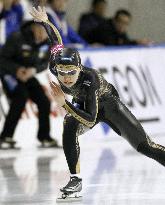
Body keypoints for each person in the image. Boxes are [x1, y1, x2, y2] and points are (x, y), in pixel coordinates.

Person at [30, 7, 165, 201]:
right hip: (83, 104)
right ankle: (75, 180)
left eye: (71, 72)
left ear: (79, 68)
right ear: (55, 68)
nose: (66, 78)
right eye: (62, 72)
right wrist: (45, 21)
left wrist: (64, 105)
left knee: (146, 147)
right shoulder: (54, 64)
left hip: (108, 105)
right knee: (69, 125)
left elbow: (91, 117)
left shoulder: (90, 79)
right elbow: (55, 41)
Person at [0, 20, 59, 148]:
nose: (41, 35)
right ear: (33, 27)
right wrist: (16, 70)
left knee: (44, 101)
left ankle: (44, 137)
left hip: (28, 74)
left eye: (45, 31)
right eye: (39, 30)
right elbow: (2, 59)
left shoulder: (47, 43)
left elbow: (45, 63)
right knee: (20, 97)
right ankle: (5, 137)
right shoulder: (17, 37)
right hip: (9, 74)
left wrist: (34, 70)